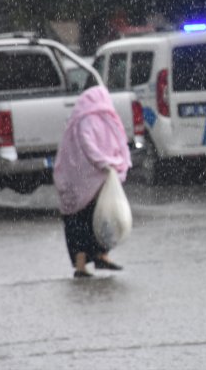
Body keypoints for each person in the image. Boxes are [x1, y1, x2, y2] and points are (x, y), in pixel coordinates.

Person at [53, 85, 132, 278]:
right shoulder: (90, 120)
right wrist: (107, 162)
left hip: (90, 181)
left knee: (94, 220)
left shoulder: (89, 120)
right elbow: (90, 145)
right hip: (86, 181)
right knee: (87, 221)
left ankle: (98, 257)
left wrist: (108, 164)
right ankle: (85, 264)